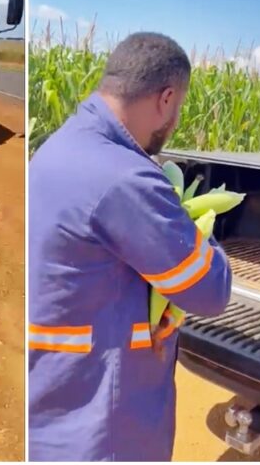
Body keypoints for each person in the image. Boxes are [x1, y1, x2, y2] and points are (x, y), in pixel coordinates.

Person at [27, 32, 232, 461]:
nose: (174, 121)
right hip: (104, 428)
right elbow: (210, 291)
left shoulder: (61, 147)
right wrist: (198, 227)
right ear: (166, 98)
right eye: (177, 109)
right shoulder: (124, 177)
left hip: (56, 410)